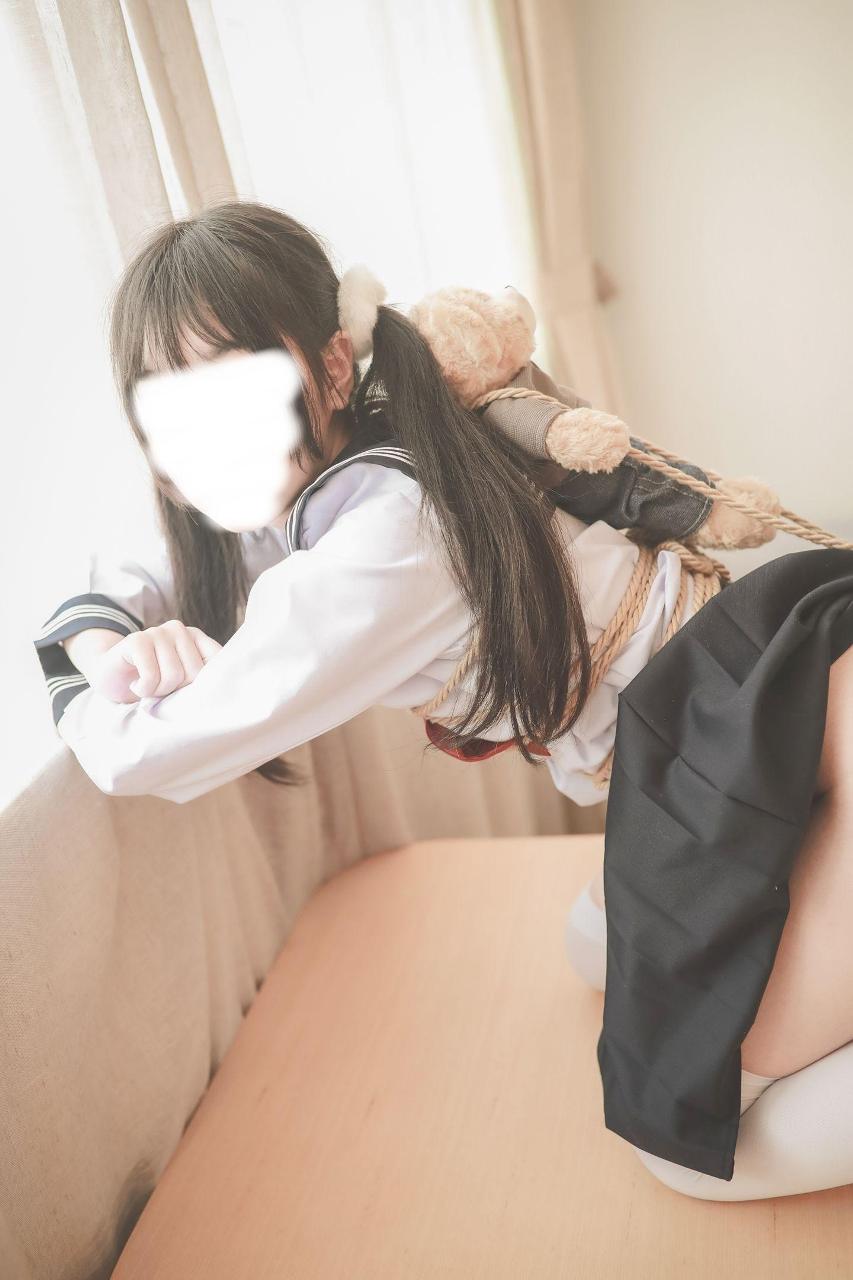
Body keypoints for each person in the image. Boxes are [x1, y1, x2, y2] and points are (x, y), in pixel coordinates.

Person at [32, 199, 853, 1197]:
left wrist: (95, 676)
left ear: (332, 367)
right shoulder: (342, 467)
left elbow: (139, 753)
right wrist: (108, 640)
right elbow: (147, 570)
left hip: (752, 727)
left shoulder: (383, 541)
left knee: (690, 1154)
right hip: (737, 715)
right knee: (593, 948)